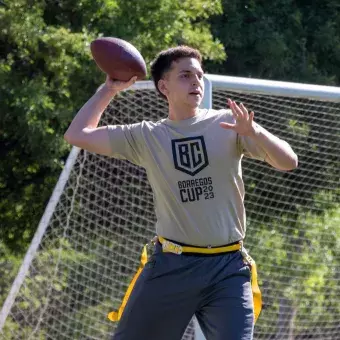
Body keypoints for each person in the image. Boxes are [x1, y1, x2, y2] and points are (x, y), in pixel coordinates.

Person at [64, 46, 298, 340]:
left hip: (228, 268)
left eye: (199, 75)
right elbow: (77, 135)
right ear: (164, 86)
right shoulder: (146, 135)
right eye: (185, 76)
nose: (196, 82)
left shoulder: (229, 123)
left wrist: (255, 133)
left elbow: (289, 162)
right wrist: (108, 90)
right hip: (172, 265)